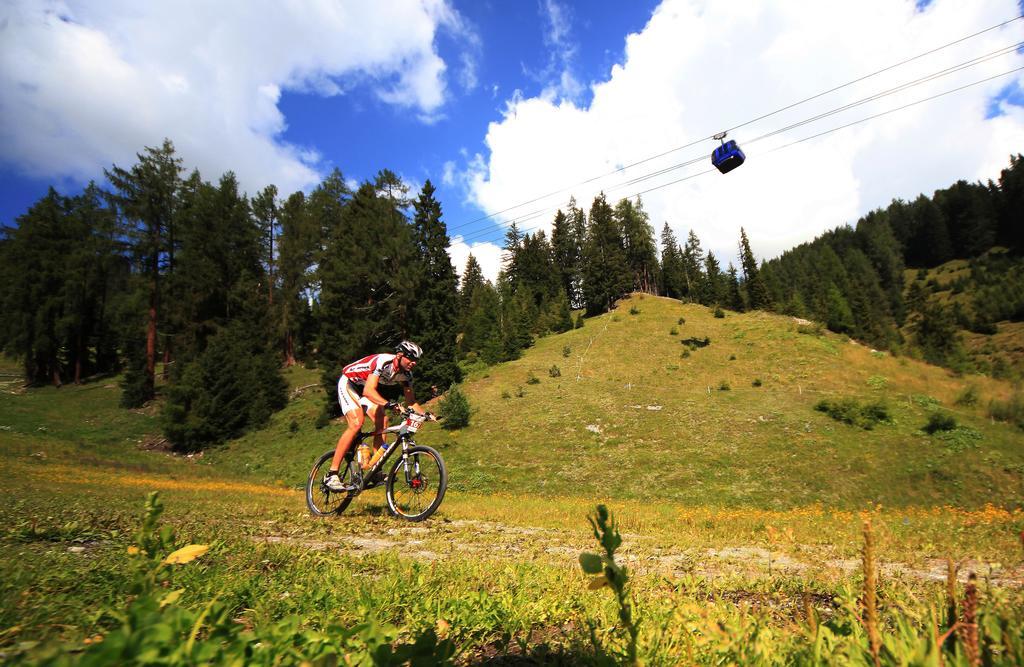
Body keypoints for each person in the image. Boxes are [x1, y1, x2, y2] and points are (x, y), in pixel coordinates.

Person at [324, 340, 426, 492]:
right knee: (357, 423)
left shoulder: (407, 375)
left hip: (364, 389)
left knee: (383, 420)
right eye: (410, 358)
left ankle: (376, 470)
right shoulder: (384, 362)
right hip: (350, 383)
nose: (413, 363)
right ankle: (332, 474)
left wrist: (428, 415)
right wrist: (389, 404)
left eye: (416, 360)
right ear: (399, 355)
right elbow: (369, 391)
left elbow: (411, 402)